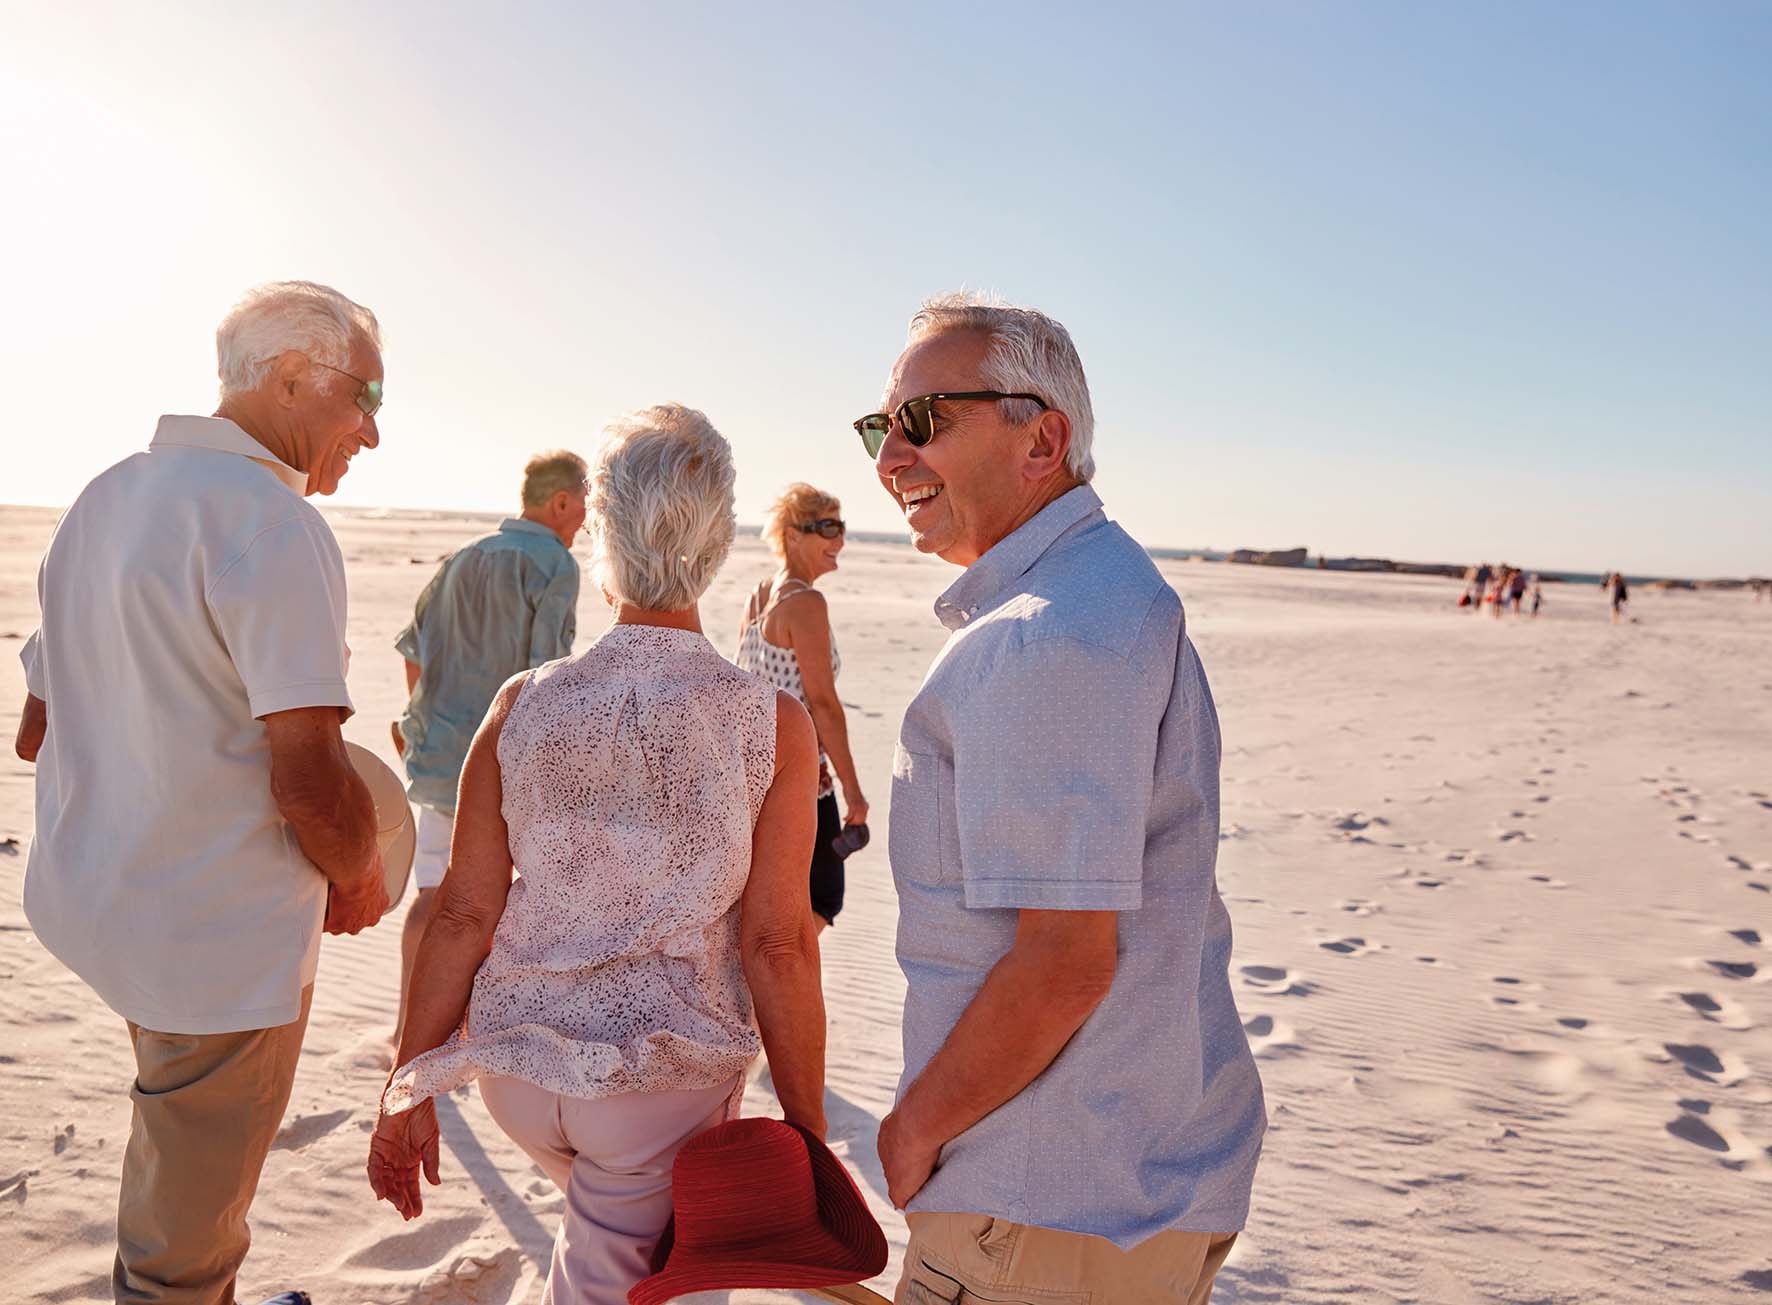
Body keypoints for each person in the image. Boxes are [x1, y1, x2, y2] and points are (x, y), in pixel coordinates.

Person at [367, 405, 829, 1305]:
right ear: (717, 539)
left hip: (517, 1069)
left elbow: (464, 911)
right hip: (654, 1084)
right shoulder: (768, 722)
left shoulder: (523, 700)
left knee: (600, 1247)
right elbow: (778, 943)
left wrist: (408, 1082)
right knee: (634, 1277)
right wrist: (806, 1128)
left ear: (603, 535)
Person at [855, 294, 1265, 1304]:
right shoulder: (1103, 591)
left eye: (922, 419)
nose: (888, 458)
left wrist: (912, 1136)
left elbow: (1063, 963)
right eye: (879, 427)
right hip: (1126, 1182)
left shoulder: (1043, 632)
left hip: (1040, 1204)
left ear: (1043, 439)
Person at [15, 280, 390, 1305]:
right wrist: (357, 880)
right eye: (366, 397)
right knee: (189, 1234)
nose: (369, 430)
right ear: (291, 380)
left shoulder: (103, 496)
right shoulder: (272, 524)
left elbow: (33, 728)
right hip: (212, 939)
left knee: (172, 1126)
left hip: (94, 903)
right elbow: (311, 782)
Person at [390, 449, 588, 1046]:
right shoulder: (555, 564)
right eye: (583, 508)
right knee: (497, 904)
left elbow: (413, 655)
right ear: (558, 503)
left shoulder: (461, 559)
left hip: (441, 753)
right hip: (503, 762)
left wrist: (425, 726)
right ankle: (482, 1032)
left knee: (433, 895)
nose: (585, 522)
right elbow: (546, 676)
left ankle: (408, 1030)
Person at [734, 483, 868, 932]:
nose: (840, 541)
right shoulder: (806, 603)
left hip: (752, 782)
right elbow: (824, 706)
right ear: (793, 535)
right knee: (819, 901)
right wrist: (853, 791)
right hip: (802, 781)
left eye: (842, 526)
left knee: (766, 911)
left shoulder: (758, 596)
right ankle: (779, 1003)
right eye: (827, 528)